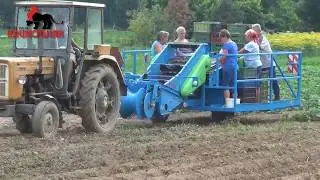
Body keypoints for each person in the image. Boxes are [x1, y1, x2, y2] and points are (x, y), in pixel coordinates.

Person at [252, 24, 280, 100]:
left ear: (258, 31)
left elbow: (259, 47)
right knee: (259, 80)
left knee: (273, 80)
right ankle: (259, 98)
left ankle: (277, 96)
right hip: (261, 63)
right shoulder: (256, 39)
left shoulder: (263, 39)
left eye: (253, 31)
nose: (252, 33)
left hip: (268, 63)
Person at [219, 29, 238, 105]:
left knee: (225, 85)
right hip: (234, 66)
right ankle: (235, 103)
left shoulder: (226, 45)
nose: (221, 40)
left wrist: (219, 61)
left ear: (225, 37)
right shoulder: (234, 44)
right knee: (234, 85)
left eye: (221, 38)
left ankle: (227, 103)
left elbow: (224, 56)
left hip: (228, 67)